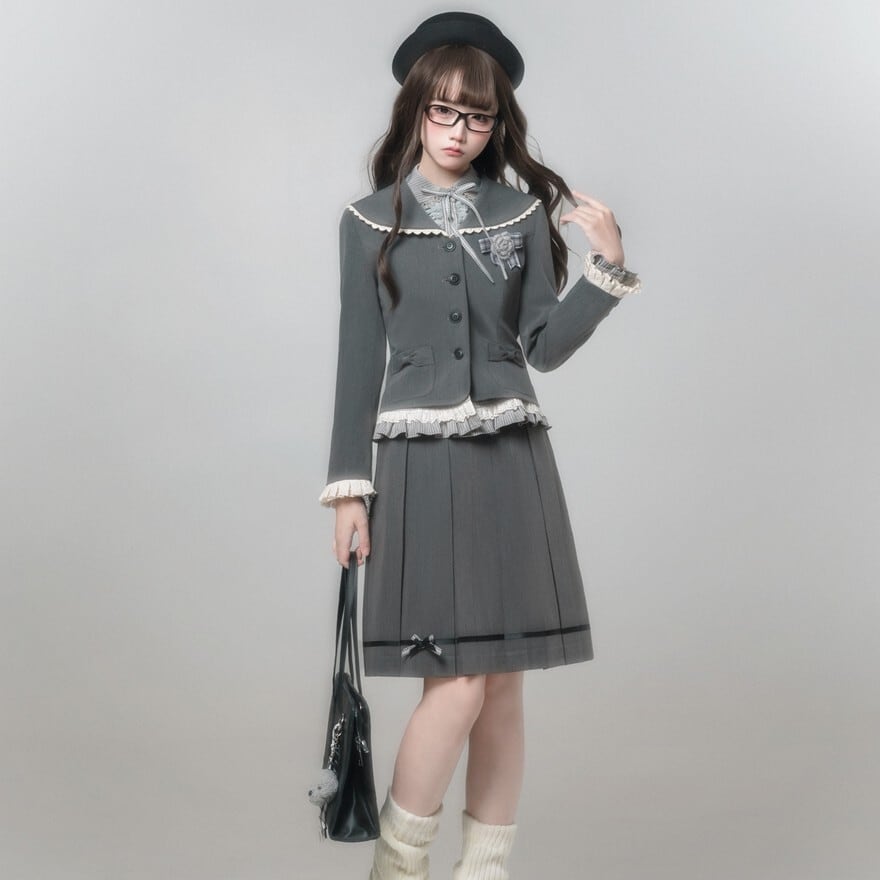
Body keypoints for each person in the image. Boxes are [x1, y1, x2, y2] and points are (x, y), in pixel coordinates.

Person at [318, 12, 641, 880]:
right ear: (416, 109)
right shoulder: (366, 221)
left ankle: (485, 870)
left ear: (498, 123)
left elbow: (543, 347)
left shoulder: (522, 212)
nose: (460, 132)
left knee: (502, 686)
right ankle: (399, 867)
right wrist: (349, 489)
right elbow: (358, 357)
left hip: (512, 463)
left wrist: (606, 271)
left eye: (479, 116)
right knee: (455, 683)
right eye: (445, 112)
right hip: (419, 466)